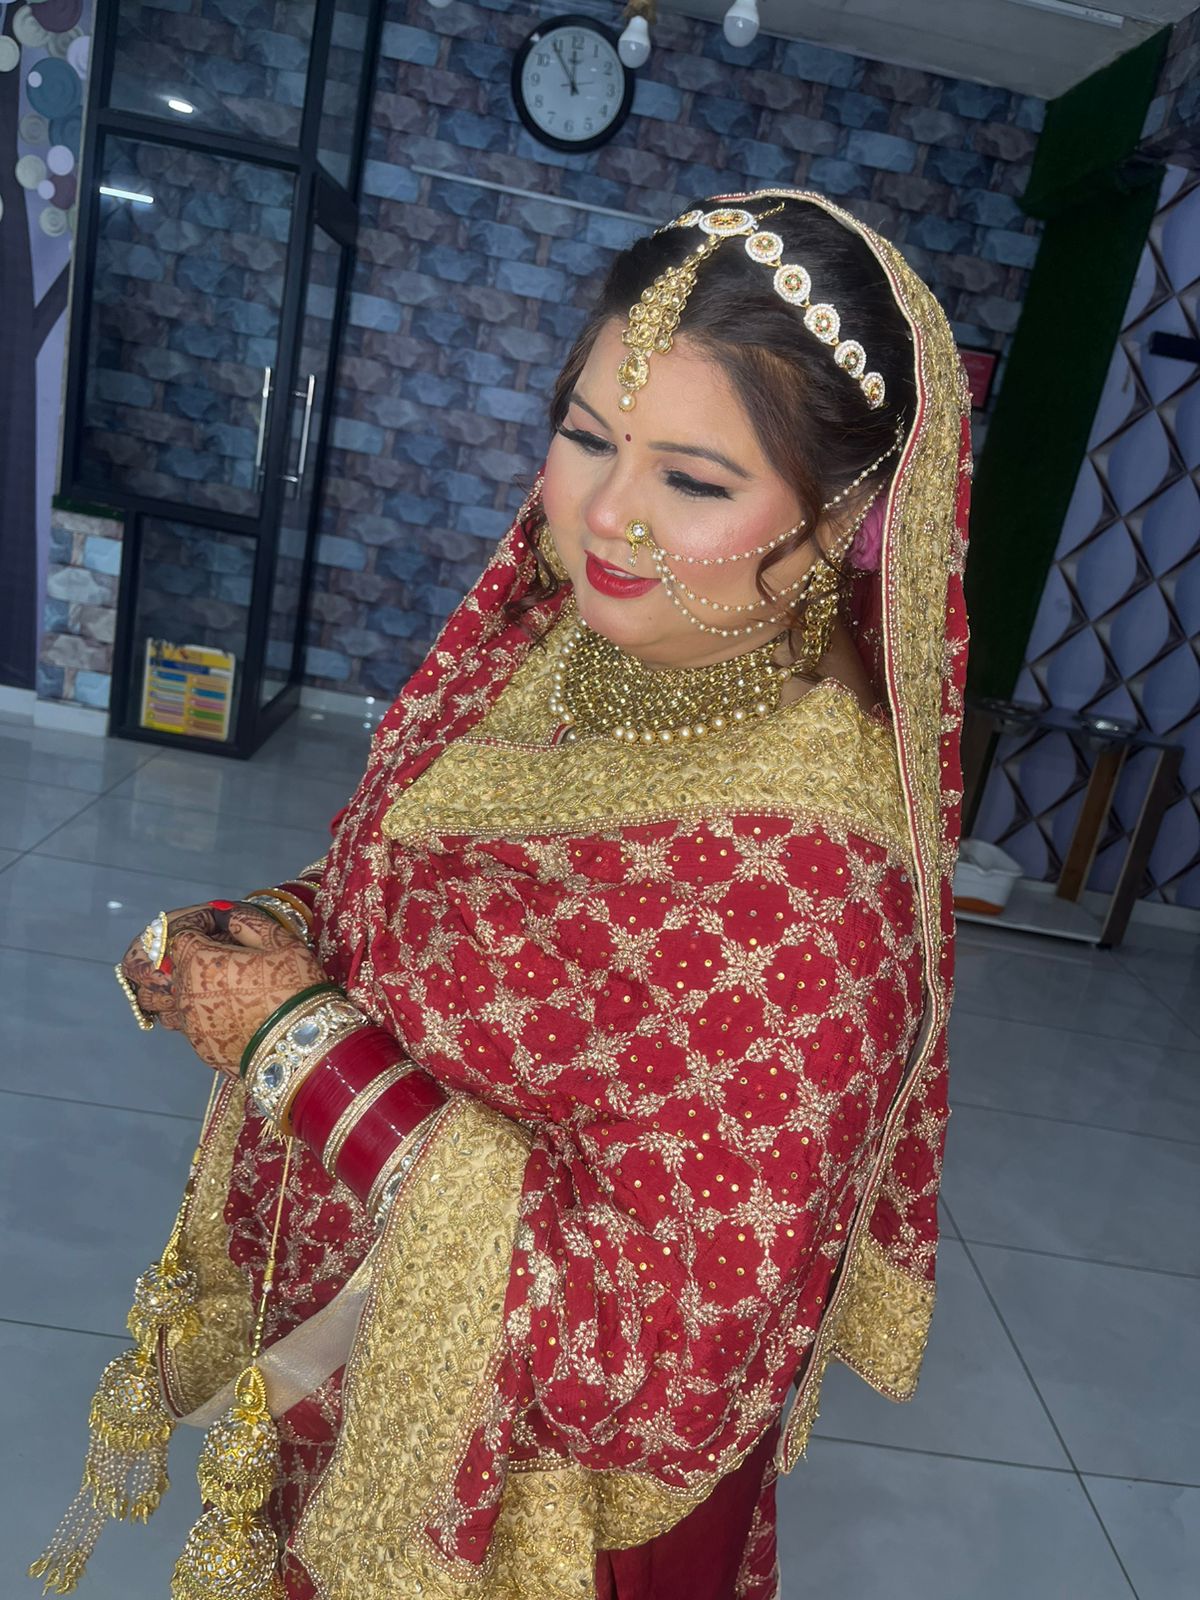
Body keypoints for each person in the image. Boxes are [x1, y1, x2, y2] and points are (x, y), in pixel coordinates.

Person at [32, 187, 971, 1600]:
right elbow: (418, 879)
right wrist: (284, 929)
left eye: (693, 481)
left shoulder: (820, 890)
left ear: (848, 516)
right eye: (586, 437)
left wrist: (295, 1043)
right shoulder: (556, 648)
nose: (604, 514)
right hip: (357, 1348)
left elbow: (640, 1347)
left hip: (540, 1513)